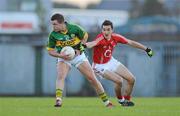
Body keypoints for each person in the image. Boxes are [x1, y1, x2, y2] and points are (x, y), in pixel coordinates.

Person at [46, 14, 113, 108]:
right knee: (61, 76)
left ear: (61, 23)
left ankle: (107, 102)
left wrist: (80, 48)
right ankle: (58, 100)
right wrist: (60, 55)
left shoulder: (74, 28)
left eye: (55, 24)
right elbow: (50, 51)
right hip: (64, 56)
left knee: (92, 79)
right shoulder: (53, 35)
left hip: (78, 56)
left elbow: (85, 36)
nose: (53, 26)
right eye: (52, 24)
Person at [84, 20, 153, 106]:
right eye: (104, 30)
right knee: (119, 80)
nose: (106, 32)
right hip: (99, 65)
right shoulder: (100, 38)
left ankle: (126, 101)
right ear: (102, 30)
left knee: (131, 79)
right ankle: (121, 100)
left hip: (110, 61)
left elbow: (130, 42)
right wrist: (84, 45)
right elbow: (92, 43)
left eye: (108, 29)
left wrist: (146, 49)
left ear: (112, 30)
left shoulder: (116, 37)